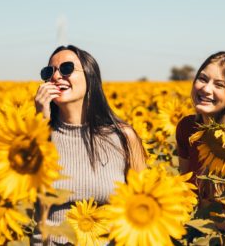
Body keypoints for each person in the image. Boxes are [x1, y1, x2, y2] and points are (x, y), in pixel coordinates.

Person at [33, 45, 146, 244]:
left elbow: (142, 203)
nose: (56, 76)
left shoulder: (123, 137)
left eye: (66, 68)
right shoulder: (36, 137)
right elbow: (24, 193)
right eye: (49, 72)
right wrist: (40, 124)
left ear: (90, 76)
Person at [175, 51, 225, 191]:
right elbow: (185, 183)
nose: (206, 89)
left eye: (219, 85)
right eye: (202, 79)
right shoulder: (187, 127)